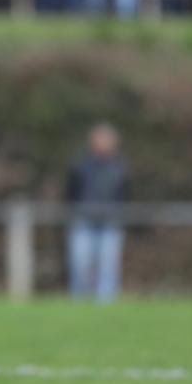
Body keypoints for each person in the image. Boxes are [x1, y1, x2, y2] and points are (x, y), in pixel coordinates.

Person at [66, 123, 129, 303]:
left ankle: (106, 304)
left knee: (108, 266)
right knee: (81, 264)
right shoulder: (80, 165)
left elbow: (125, 194)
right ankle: (79, 301)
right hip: (83, 221)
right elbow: (71, 191)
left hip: (110, 223)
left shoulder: (120, 167)